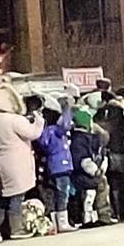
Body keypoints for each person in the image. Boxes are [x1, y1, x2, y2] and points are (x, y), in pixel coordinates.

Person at [0, 85, 45, 241]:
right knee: (17, 196)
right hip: (17, 161)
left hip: (1, 160)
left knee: (4, 196)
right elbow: (33, 133)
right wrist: (39, 122)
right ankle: (16, 228)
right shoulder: (14, 120)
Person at [36, 97, 76, 234]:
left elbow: (43, 144)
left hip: (52, 166)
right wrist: (67, 109)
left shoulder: (45, 131)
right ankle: (63, 222)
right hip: (62, 166)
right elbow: (65, 125)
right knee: (63, 194)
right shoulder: (57, 131)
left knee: (53, 194)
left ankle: (54, 222)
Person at [71, 107, 115, 226]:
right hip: (82, 174)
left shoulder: (85, 137)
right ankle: (92, 217)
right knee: (93, 191)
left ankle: (102, 216)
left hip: (91, 173)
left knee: (101, 186)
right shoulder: (80, 139)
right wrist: (96, 170)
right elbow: (82, 159)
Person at [96, 92, 124, 221]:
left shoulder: (98, 114)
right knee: (122, 182)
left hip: (104, 151)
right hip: (119, 150)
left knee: (111, 182)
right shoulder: (118, 111)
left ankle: (114, 211)